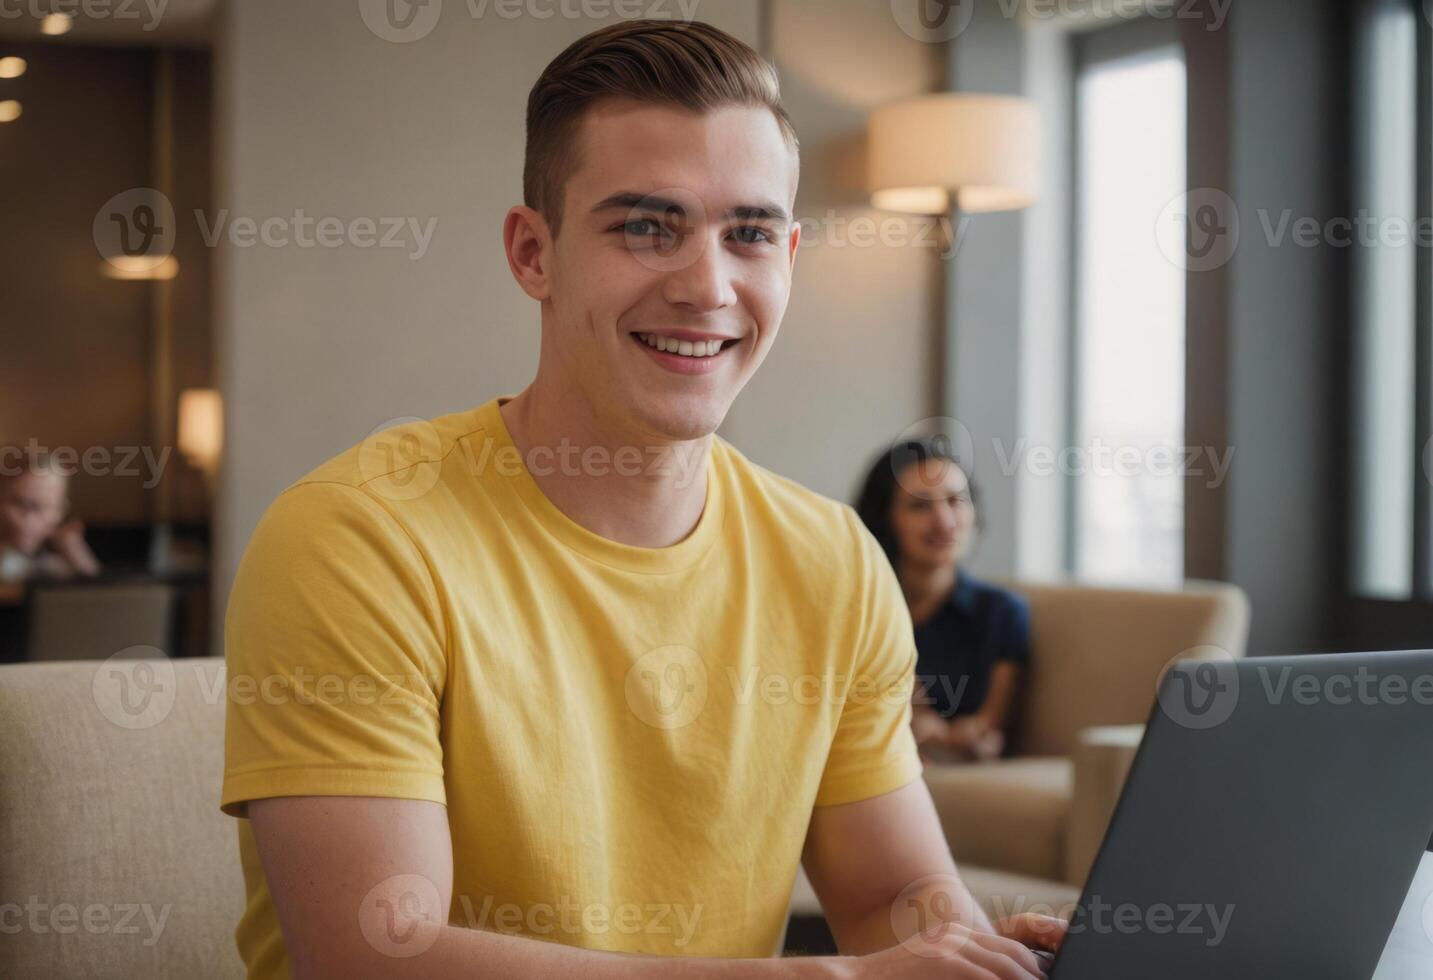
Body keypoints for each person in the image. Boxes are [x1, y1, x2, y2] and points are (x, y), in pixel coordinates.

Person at [220, 19, 1065, 979]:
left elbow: (886, 897)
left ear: (787, 255)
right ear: (532, 253)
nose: (707, 286)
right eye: (645, 226)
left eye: (748, 234)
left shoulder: (832, 557)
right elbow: (377, 957)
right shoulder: (355, 538)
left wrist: (983, 953)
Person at [855, 440, 1030, 764]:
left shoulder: (1001, 613)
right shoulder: (858, 609)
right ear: (883, 519)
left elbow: (987, 732)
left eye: (956, 500)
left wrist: (947, 734)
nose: (944, 521)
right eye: (920, 506)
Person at [0, 454, 102, 583]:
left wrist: (82, 562)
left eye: (43, 507)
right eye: (20, 504)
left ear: (61, 512)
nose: (29, 520)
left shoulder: (58, 566)